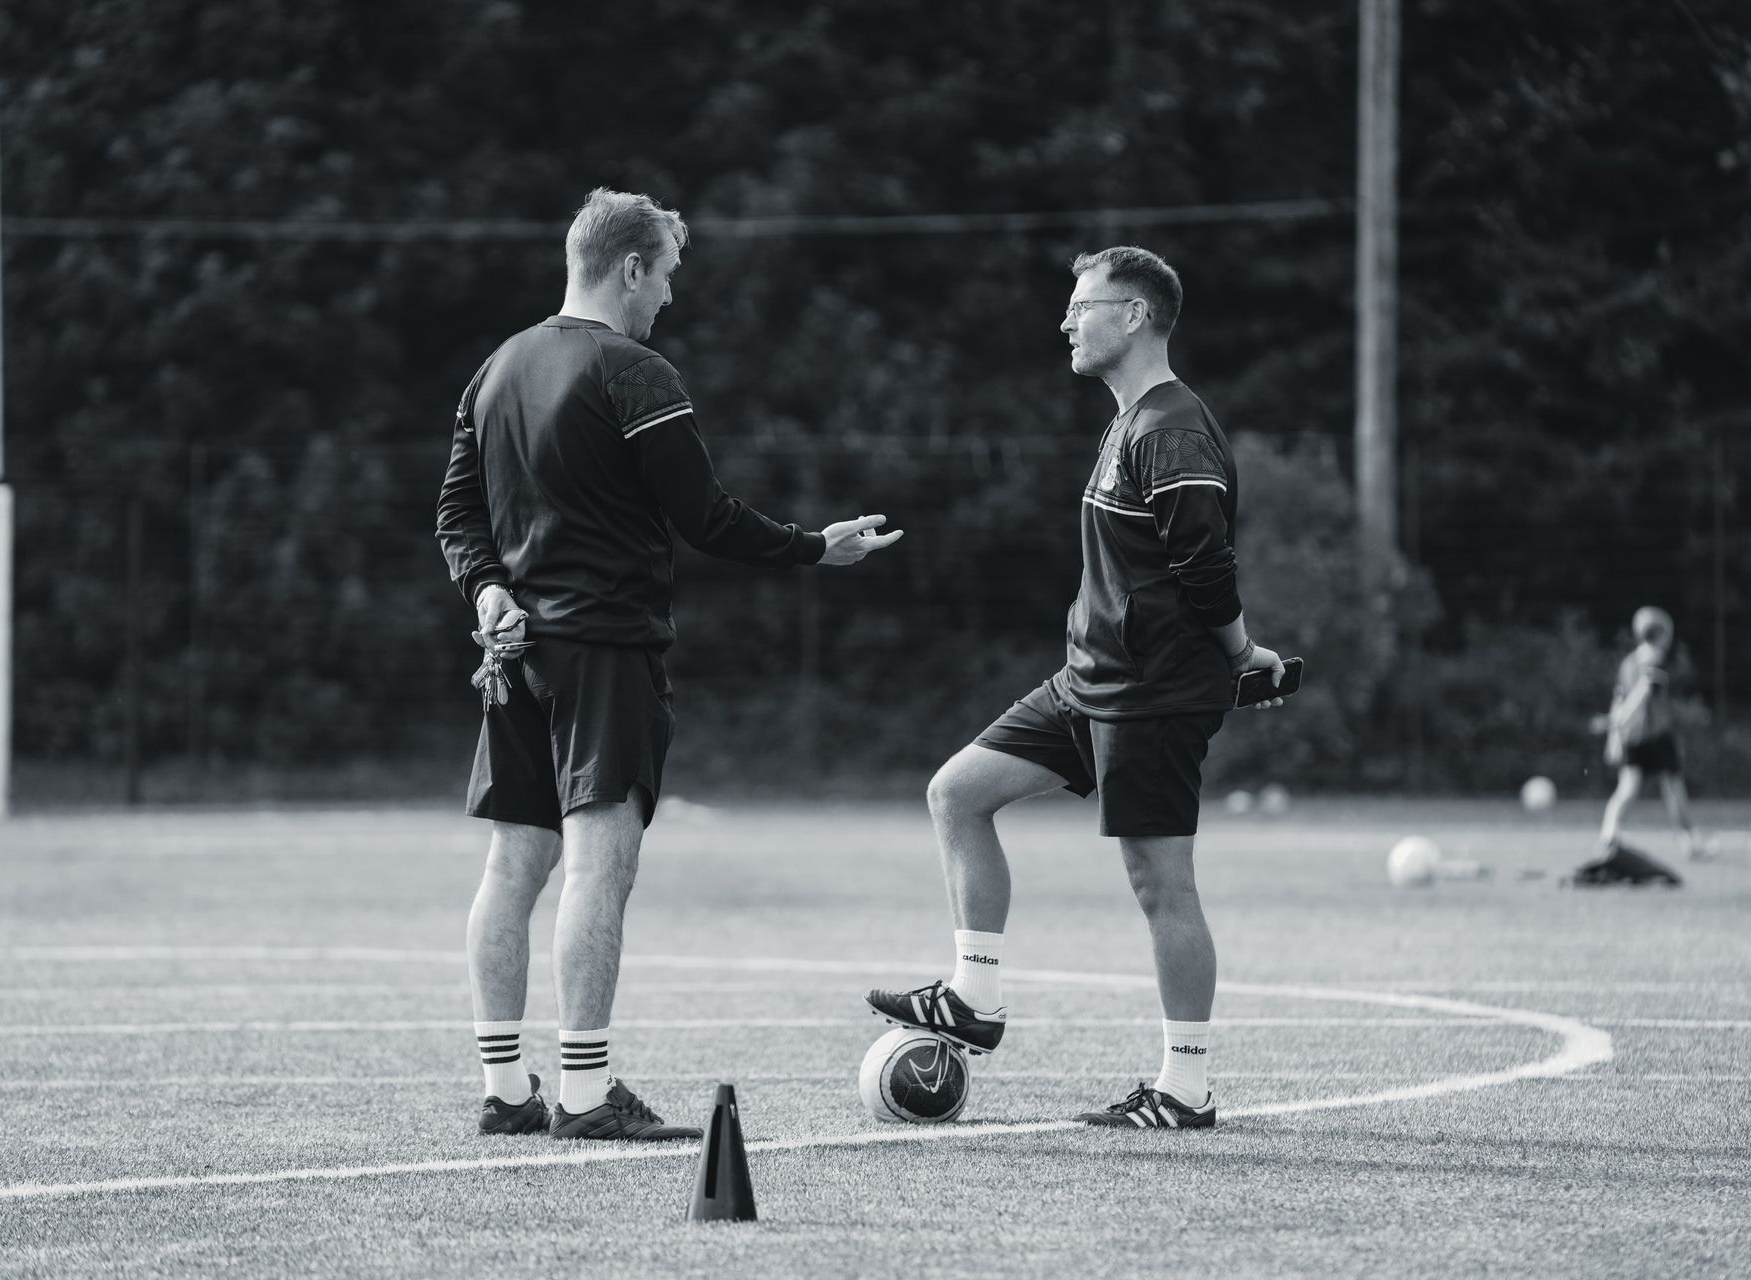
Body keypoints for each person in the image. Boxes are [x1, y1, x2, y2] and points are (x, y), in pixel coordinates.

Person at [436, 187, 902, 1140]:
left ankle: (506, 1088)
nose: (670, 301)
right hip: (604, 653)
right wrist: (819, 547)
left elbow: (456, 518)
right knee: (595, 871)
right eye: (668, 277)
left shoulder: (496, 368)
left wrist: (488, 593)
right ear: (631, 268)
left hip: (515, 650)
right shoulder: (633, 369)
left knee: (513, 864)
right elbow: (706, 516)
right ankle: (582, 1095)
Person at [865, 246, 1285, 1131]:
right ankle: (973, 998)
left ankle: (1186, 1089)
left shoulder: (1169, 427)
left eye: (1082, 305)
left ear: (1133, 316)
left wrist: (1239, 652)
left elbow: (1206, 569)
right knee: (957, 793)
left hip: (1152, 694)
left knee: (1160, 883)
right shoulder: (1130, 419)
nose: (1066, 320)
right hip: (1089, 679)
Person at [1594, 606, 1705, 861]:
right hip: (1654, 736)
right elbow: (1642, 693)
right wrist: (1619, 723)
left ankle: (1608, 833)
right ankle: (1690, 842)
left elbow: (1618, 698)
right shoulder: (1654, 661)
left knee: (1628, 788)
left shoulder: (1628, 662)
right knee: (1674, 790)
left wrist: (1615, 733)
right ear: (1663, 634)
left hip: (1633, 737)